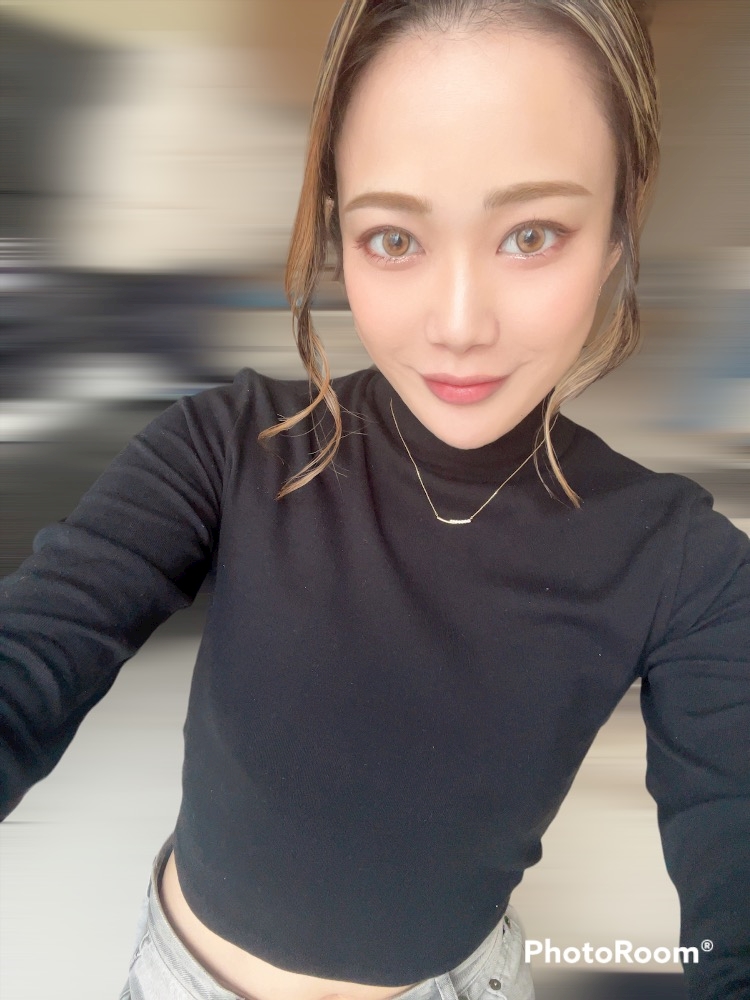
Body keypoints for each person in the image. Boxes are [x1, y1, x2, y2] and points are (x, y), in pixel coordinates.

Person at [1, 1, 748, 999]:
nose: (458, 325)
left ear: (618, 228)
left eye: (531, 234)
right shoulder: (226, 446)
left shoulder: (685, 562)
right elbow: (28, 662)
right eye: (394, 237)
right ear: (338, 235)